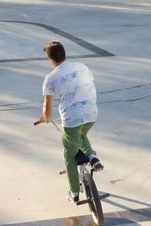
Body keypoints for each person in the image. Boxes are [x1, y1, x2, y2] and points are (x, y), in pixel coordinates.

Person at [38, 40, 104, 203]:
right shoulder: (82, 67)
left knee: (69, 153)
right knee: (81, 134)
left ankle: (74, 192)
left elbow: (48, 106)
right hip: (92, 113)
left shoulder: (51, 78)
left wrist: (45, 118)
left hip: (72, 118)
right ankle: (93, 157)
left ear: (51, 60)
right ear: (64, 54)